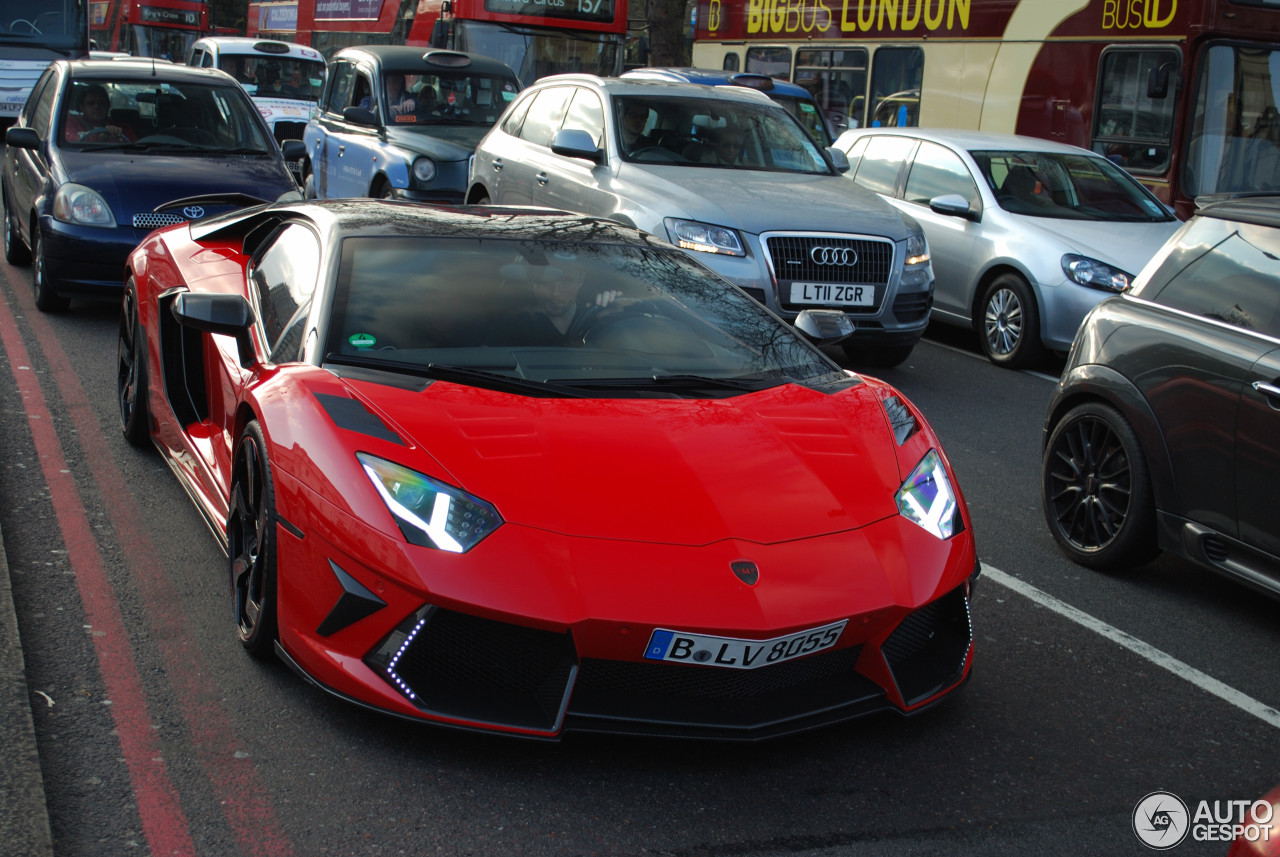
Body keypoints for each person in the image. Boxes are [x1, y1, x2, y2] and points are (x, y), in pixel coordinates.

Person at [64, 84, 135, 143]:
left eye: (101, 103)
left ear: (108, 106)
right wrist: (100, 136)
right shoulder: (71, 122)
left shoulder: (121, 126)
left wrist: (118, 136)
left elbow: (134, 146)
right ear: (82, 107)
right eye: (90, 103)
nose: (96, 107)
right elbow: (70, 139)